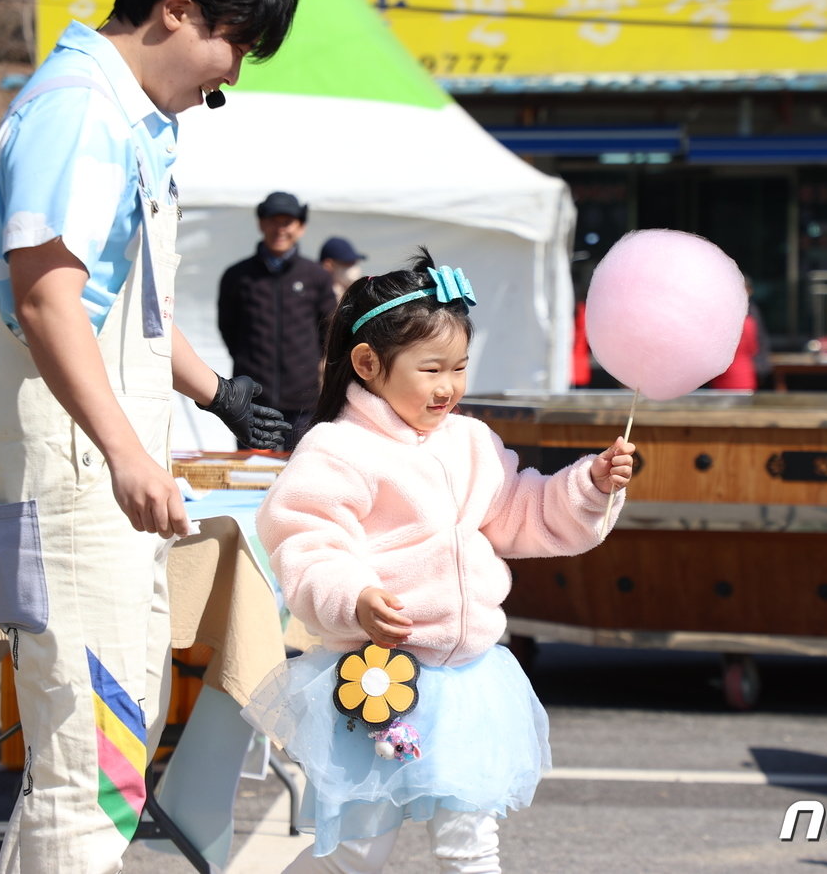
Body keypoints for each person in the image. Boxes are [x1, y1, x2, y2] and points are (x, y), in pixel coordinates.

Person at [0, 0, 297, 871]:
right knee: (92, 768)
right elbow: (46, 298)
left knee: (101, 752)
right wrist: (125, 453)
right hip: (71, 483)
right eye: (236, 48)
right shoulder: (78, 112)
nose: (231, 77)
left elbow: (125, 304)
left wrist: (217, 392)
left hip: (96, 485)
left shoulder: (128, 117)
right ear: (179, 10)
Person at [242, 251, 635, 873]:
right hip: (378, 680)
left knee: (471, 847)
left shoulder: (471, 441)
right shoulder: (338, 449)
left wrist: (588, 484)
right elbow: (306, 541)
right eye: (431, 369)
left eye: (459, 367)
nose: (449, 385)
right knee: (355, 850)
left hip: (469, 683)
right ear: (369, 365)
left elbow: (519, 509)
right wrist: (355, 597)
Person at [218, 190, 338, 450]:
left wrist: (312, 368)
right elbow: (228, 328)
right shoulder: (238, 276)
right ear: (261, 223)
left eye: (288, 221)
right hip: (252, 398)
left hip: (304, 398)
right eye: (273, 220)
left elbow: (328, 329)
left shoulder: (315, 275)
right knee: (251, 475)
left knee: (303, 473)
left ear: (301, 227)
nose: (280, 228)